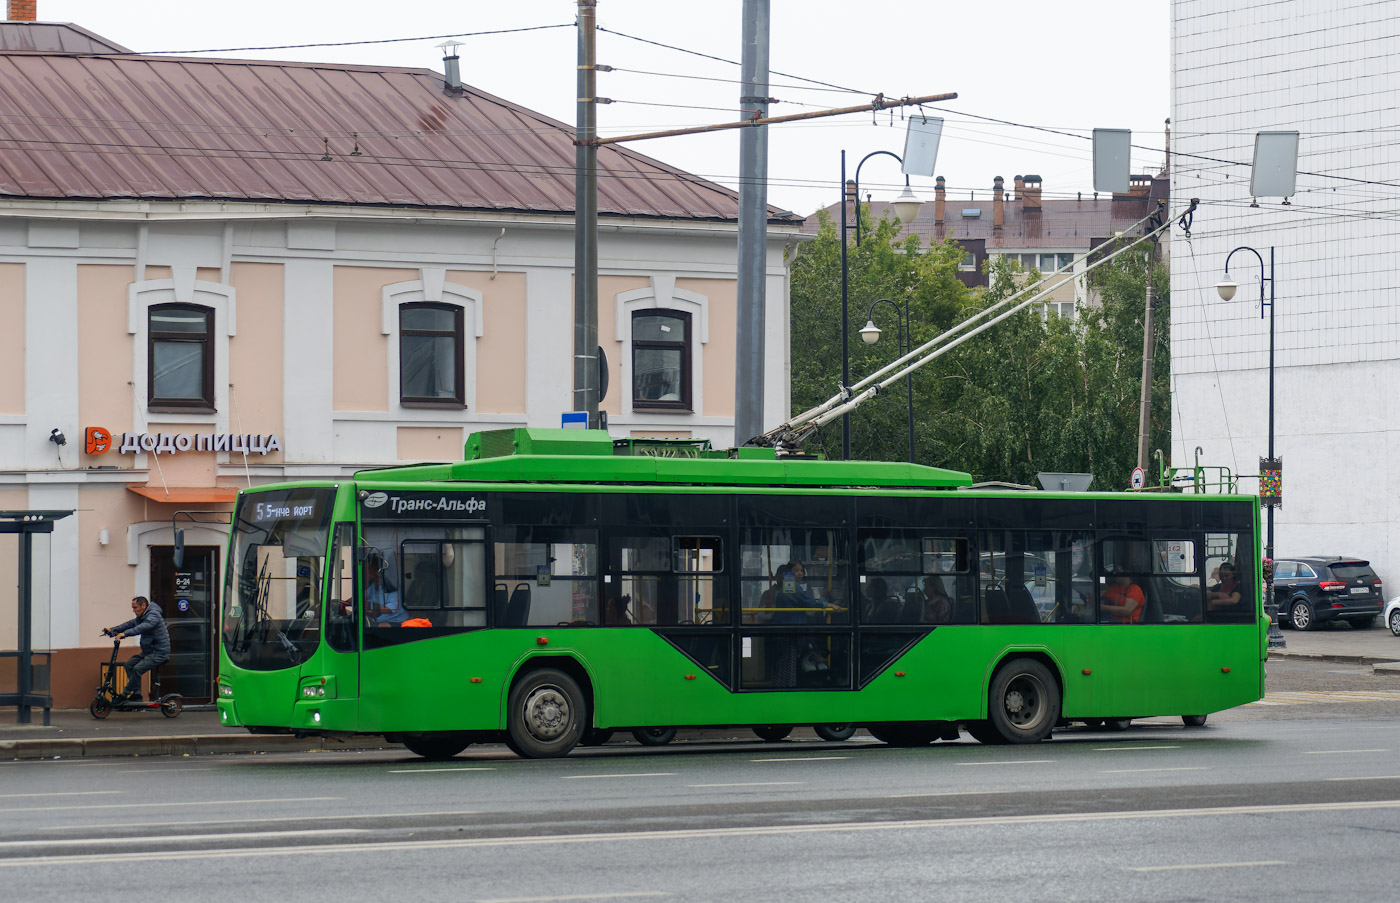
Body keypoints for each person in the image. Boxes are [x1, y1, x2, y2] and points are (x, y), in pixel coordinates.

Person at [103, 596, 170, 703]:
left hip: (159, 653)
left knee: (137, 669)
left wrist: (125, 634)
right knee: (129, 665)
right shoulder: (143, 616)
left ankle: (124, 695)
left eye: (135, 607)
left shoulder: (153, 616)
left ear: (143, 605)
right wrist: (112, 630)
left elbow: (143, 627)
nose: (134, 610)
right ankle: (137, 694)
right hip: (149, 652)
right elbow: (130, 624)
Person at [364, 552, 405, 626]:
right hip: (377, 620)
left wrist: (372, 610)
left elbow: (390, 608)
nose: (366, 573)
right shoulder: (373, 585)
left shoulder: (391, 586)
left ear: (377, 571)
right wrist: (346, 602)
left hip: (394, 621)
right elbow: (362, 597)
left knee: (382, 626)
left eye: (369, 570)